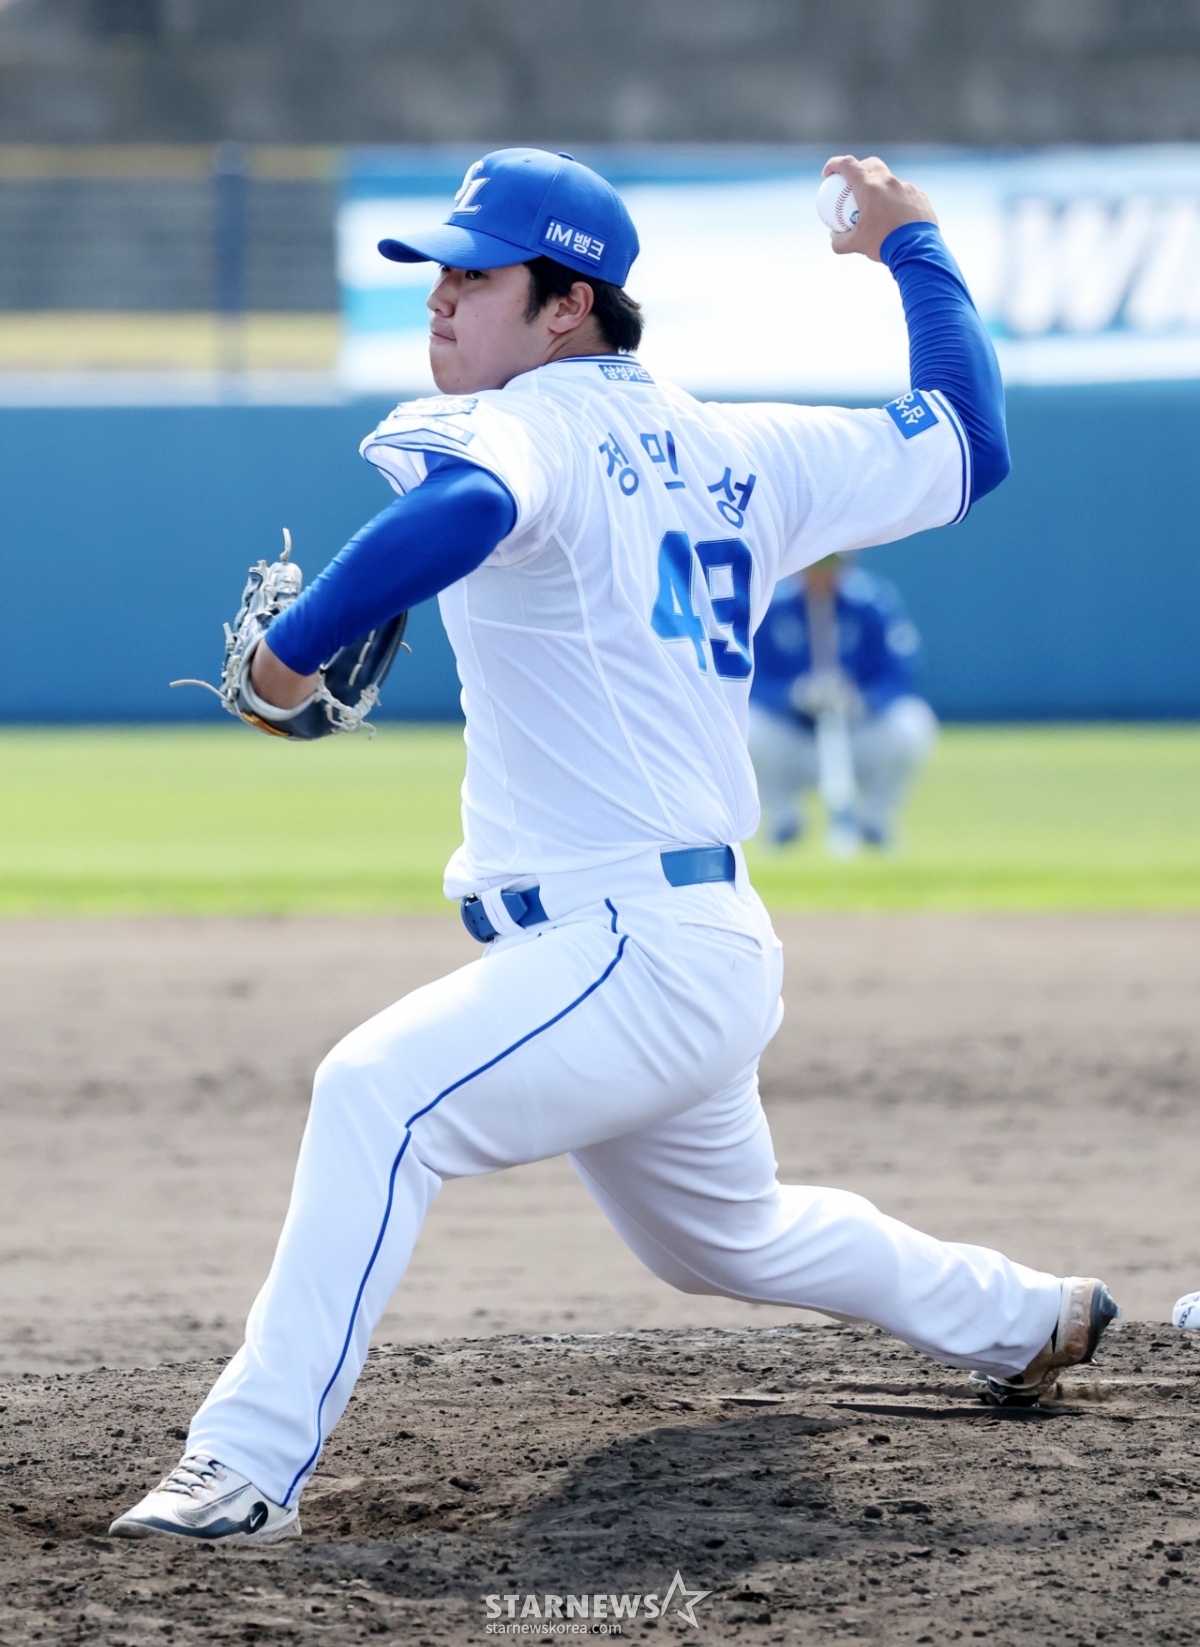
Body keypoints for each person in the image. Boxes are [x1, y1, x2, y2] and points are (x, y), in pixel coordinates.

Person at [110, 148, 1119, 1544]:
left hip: (629, 949)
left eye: (478, 274)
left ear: (568, 305)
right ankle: (1023, 1317)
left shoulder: (530, 425)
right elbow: (968, 437)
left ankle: (244, 1465)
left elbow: (465, 509)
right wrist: (915, 245)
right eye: (440, 272)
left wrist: (289, 653)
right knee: (727, 1237)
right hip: (683, 944)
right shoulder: (747, 447)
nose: (442, 297)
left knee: (376, 1099)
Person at [749, 552, 937, 849]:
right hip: (792, 737)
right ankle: (783, 819)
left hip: (857, 735)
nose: (822, 572)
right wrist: (794, 694)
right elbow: (749, 679)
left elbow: (899, 672)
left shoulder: (872, 602)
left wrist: (862, 700)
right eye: (814, 563)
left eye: (830, 563)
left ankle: (874, 819)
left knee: (912, 722)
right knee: (747, 727)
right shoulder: (770, 605)